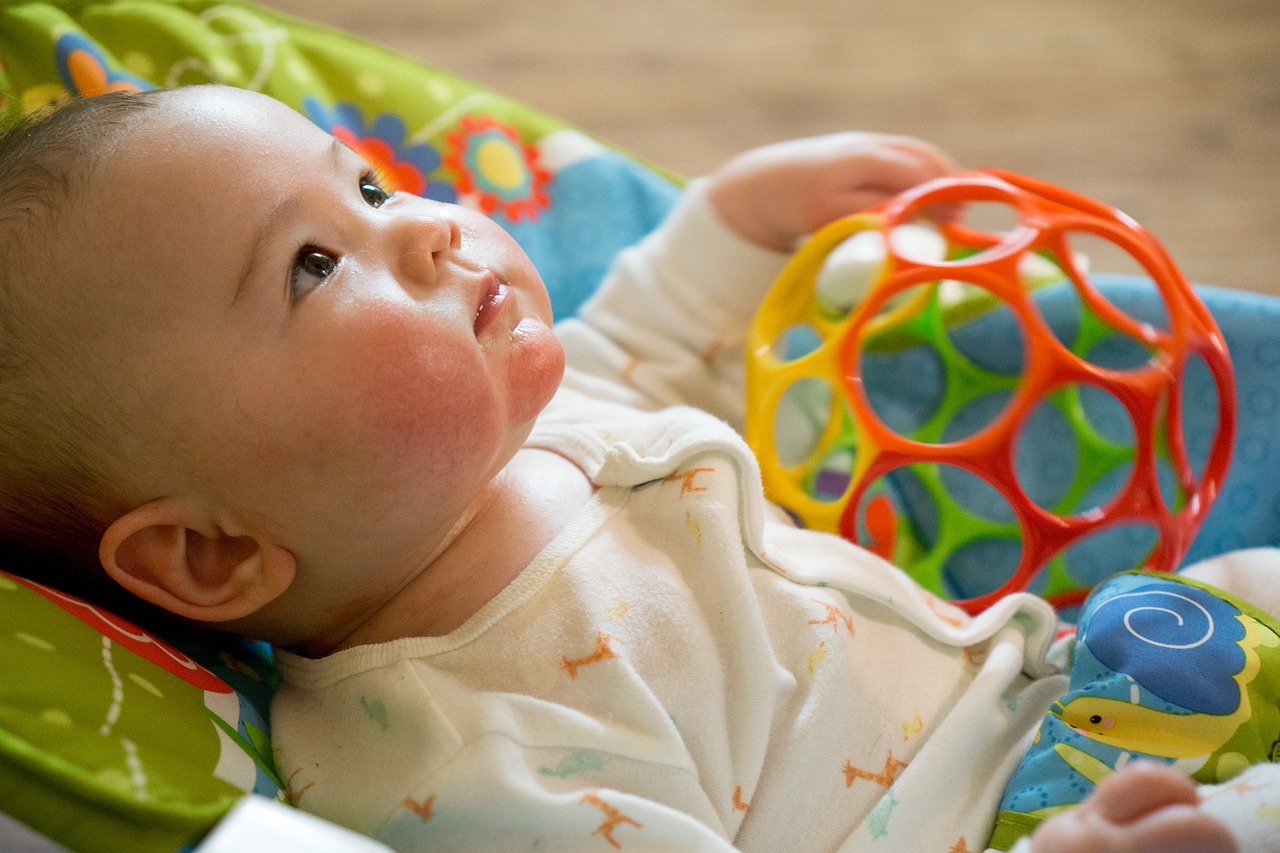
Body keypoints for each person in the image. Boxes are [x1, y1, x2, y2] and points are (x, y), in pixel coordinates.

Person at [0, 84, 1271, 852]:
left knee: (1248, 581)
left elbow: (643, 338)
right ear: (211, 551)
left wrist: (731, 219)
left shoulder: (527, 426)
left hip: (1073, 685)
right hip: (1006, 826)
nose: (430, 226)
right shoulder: (459, 765)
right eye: (314, 265)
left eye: (373, 187)